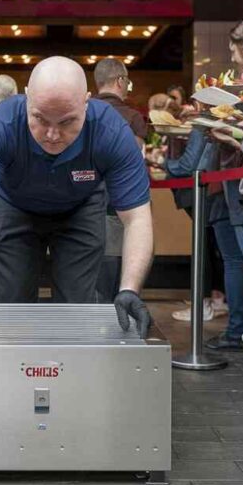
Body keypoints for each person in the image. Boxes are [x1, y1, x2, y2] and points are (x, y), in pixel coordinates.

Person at [0, 56, 154, 337]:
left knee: (77, 308)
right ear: (26, 99)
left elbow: (136, 217)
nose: (52, 135)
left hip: (80, 207)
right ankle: (10, 375)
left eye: (67, 121)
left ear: (86, 101)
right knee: (11, 305)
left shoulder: (111, 132)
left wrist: (130, 289)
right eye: (39, 118)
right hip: (14, 206)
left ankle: (72, 375)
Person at [92, 58, 147, 302]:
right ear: (120, 81)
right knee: (115, 259)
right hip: (118, 201)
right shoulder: (132, 117)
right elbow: (137, 161)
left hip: (83, 200)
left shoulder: (83, 112)